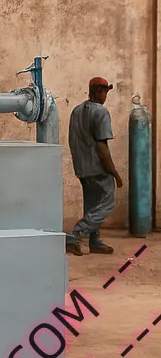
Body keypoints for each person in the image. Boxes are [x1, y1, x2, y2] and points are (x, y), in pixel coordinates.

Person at [66, 77, 122, 256]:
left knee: (92, 206)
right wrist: (114, 173)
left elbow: (73, 140)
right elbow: (101, 146)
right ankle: (75, 235)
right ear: (98, 91)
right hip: (98, 169)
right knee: (107, 203)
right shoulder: (101, 112)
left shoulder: (76, 111)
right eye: (105, 91)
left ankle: (95, 241)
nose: (105, 95)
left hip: (82, 168)